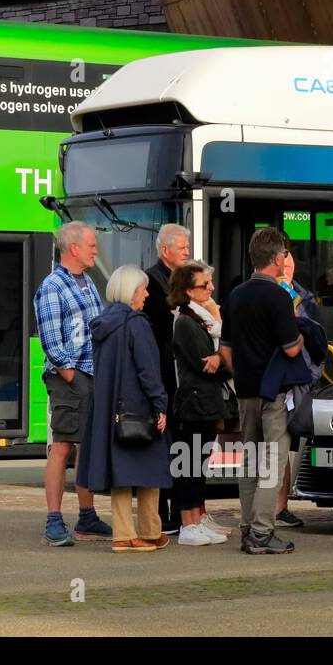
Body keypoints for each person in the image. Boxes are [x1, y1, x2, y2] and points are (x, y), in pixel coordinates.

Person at [77, 265, 173, 552]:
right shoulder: (137, 323)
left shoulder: (103, 323)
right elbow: (148, 370)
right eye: (143, 289)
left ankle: (122, 535)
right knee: (151, 469)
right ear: (132, 292)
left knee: (121, 474)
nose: (146, 294)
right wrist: (160, 405)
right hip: (138, 409)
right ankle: (149, 531)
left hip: (109, 410)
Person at [219, 227, 302, 554]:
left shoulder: (235, 296)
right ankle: (263, 533)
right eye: (283, 254)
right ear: (275, 258)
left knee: (250, 462)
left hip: (245, 392)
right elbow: (292, 349)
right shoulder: (279, 297)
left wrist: (241, 374)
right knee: (273, 461)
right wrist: (302, 337)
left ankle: (246, 528)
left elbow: (225, 350)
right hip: (274, 394)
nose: (285, 259)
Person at [33, 221, 113, 546]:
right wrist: (72, 378)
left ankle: (87, 517)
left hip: (89, 375)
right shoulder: (53, 286)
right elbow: (51, 342)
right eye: (92, 245)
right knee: (63, 446)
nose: (96, 250)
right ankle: (53, 522)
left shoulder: (87, 282)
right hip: (69, 377)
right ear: (75, 248)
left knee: (86, 447)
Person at [169, 261, 233, 545]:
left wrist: (221, 358)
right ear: (187, 291)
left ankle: (196, 518)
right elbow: (204, 363)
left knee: (201, 463)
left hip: (207, 402)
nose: (211, 288)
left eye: (210, 283)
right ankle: (187, 524)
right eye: (204, 285)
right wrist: (223, 359)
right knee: (189, 465)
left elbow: (220, 358)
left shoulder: (206, 318)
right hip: (194, 403)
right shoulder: (186, 321)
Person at [143, 223, 190, 535]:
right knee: (163, 443)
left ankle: (179, 511)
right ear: (165, 251)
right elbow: (158, 328)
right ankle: (161, 514)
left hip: (179, 378)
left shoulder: (186, 279)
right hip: (163, 376)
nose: (188, 252)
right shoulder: (151, 282)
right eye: (182, 247)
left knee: (181, 445)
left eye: (188, 247)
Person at [274, 249, 320, 529]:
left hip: (299, 381)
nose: (287, 268)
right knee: (274, 445)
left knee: (286, 443)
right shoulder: (267, 294)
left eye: (291, 263)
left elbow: (316, 339)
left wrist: (311, 374)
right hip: (277, 381)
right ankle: (272, 508)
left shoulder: (305, 298)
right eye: (283, 263)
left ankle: (281, 506)